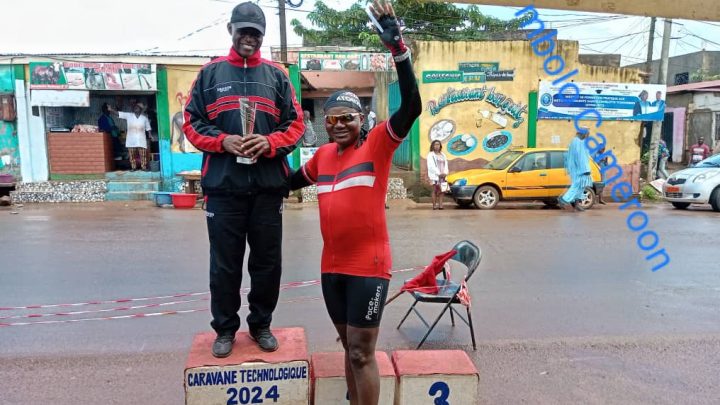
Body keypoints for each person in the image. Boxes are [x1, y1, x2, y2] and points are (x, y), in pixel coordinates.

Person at [290, 2, 420, 403]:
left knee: (363, 352)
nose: (340, 124)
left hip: (369, 267)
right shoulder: (322, 158)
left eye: (348, 117)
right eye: (332, 119)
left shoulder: (378, 144)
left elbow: (412, 106)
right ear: (324, 124)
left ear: (362, 119)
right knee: (348, 348)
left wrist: (397, 48)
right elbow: (285, 183)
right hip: (331, 269)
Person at [182, 1, 305, 358]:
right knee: (224, 265)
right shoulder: (210, 74)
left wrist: (269, 143)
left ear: (262, 36)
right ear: (231, 31)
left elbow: (295, 126)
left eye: (255, 33)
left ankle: (261, 324)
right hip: (223, 189)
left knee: (267, 264)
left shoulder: (278, 76)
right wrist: (223, 141)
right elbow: (191, 124)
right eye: (243, 32)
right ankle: (224, 329)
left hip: (267, 188)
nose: (249, 38)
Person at [558, 128, 592, 212]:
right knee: (577, 185)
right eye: (587, 134)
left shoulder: (581, 142)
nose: (588, 135)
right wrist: (585, 169)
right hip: (579, 169)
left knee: (582, 186)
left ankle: (576, 203)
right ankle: (565, 199)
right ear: (583, 134)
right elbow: (580, 157)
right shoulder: (577, 142)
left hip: (580, 168)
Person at [112, 103, 151, 171]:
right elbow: (119, 114)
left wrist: (150, 135)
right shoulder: (129, 115)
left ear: (141, 110)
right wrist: (111, 110)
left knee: (143, 155)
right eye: (135, 107)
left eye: (137, 107)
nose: (135, 108)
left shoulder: (144, 118)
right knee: (132, 155)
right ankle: (133, 167)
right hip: (131, 139)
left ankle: (144, 167)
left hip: (141, 139)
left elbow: (148, 128)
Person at [427, 140, 449, 210]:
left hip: (443, 175)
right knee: (434, 190)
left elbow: (446, 165)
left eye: (438, 144)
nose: (437, 146)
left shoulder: (443, 155)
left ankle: (441, 205)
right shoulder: (430, 155)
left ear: (440, 146)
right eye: (435, 144)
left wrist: (445, 173)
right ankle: (434, 205)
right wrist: (439, 174)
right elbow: (431, 166)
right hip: (435, 175)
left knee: (442, 190)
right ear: (433, 146)